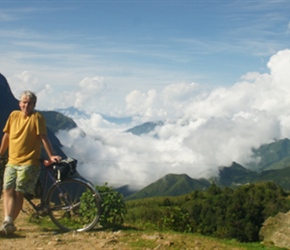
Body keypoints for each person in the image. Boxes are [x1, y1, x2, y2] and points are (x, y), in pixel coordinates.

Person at [0, 90, 62, 235]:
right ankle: (8, 222)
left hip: (29, 162)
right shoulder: (13, 116)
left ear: (34, 105)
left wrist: (51, 154)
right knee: (7, 190)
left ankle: (8, 224)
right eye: (24, 102)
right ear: (19, 103)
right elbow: (7, 136)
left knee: (18, 192)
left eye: (29, 103)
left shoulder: (37, 117)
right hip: (12, 161)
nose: (26, 105)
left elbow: (43, 137)